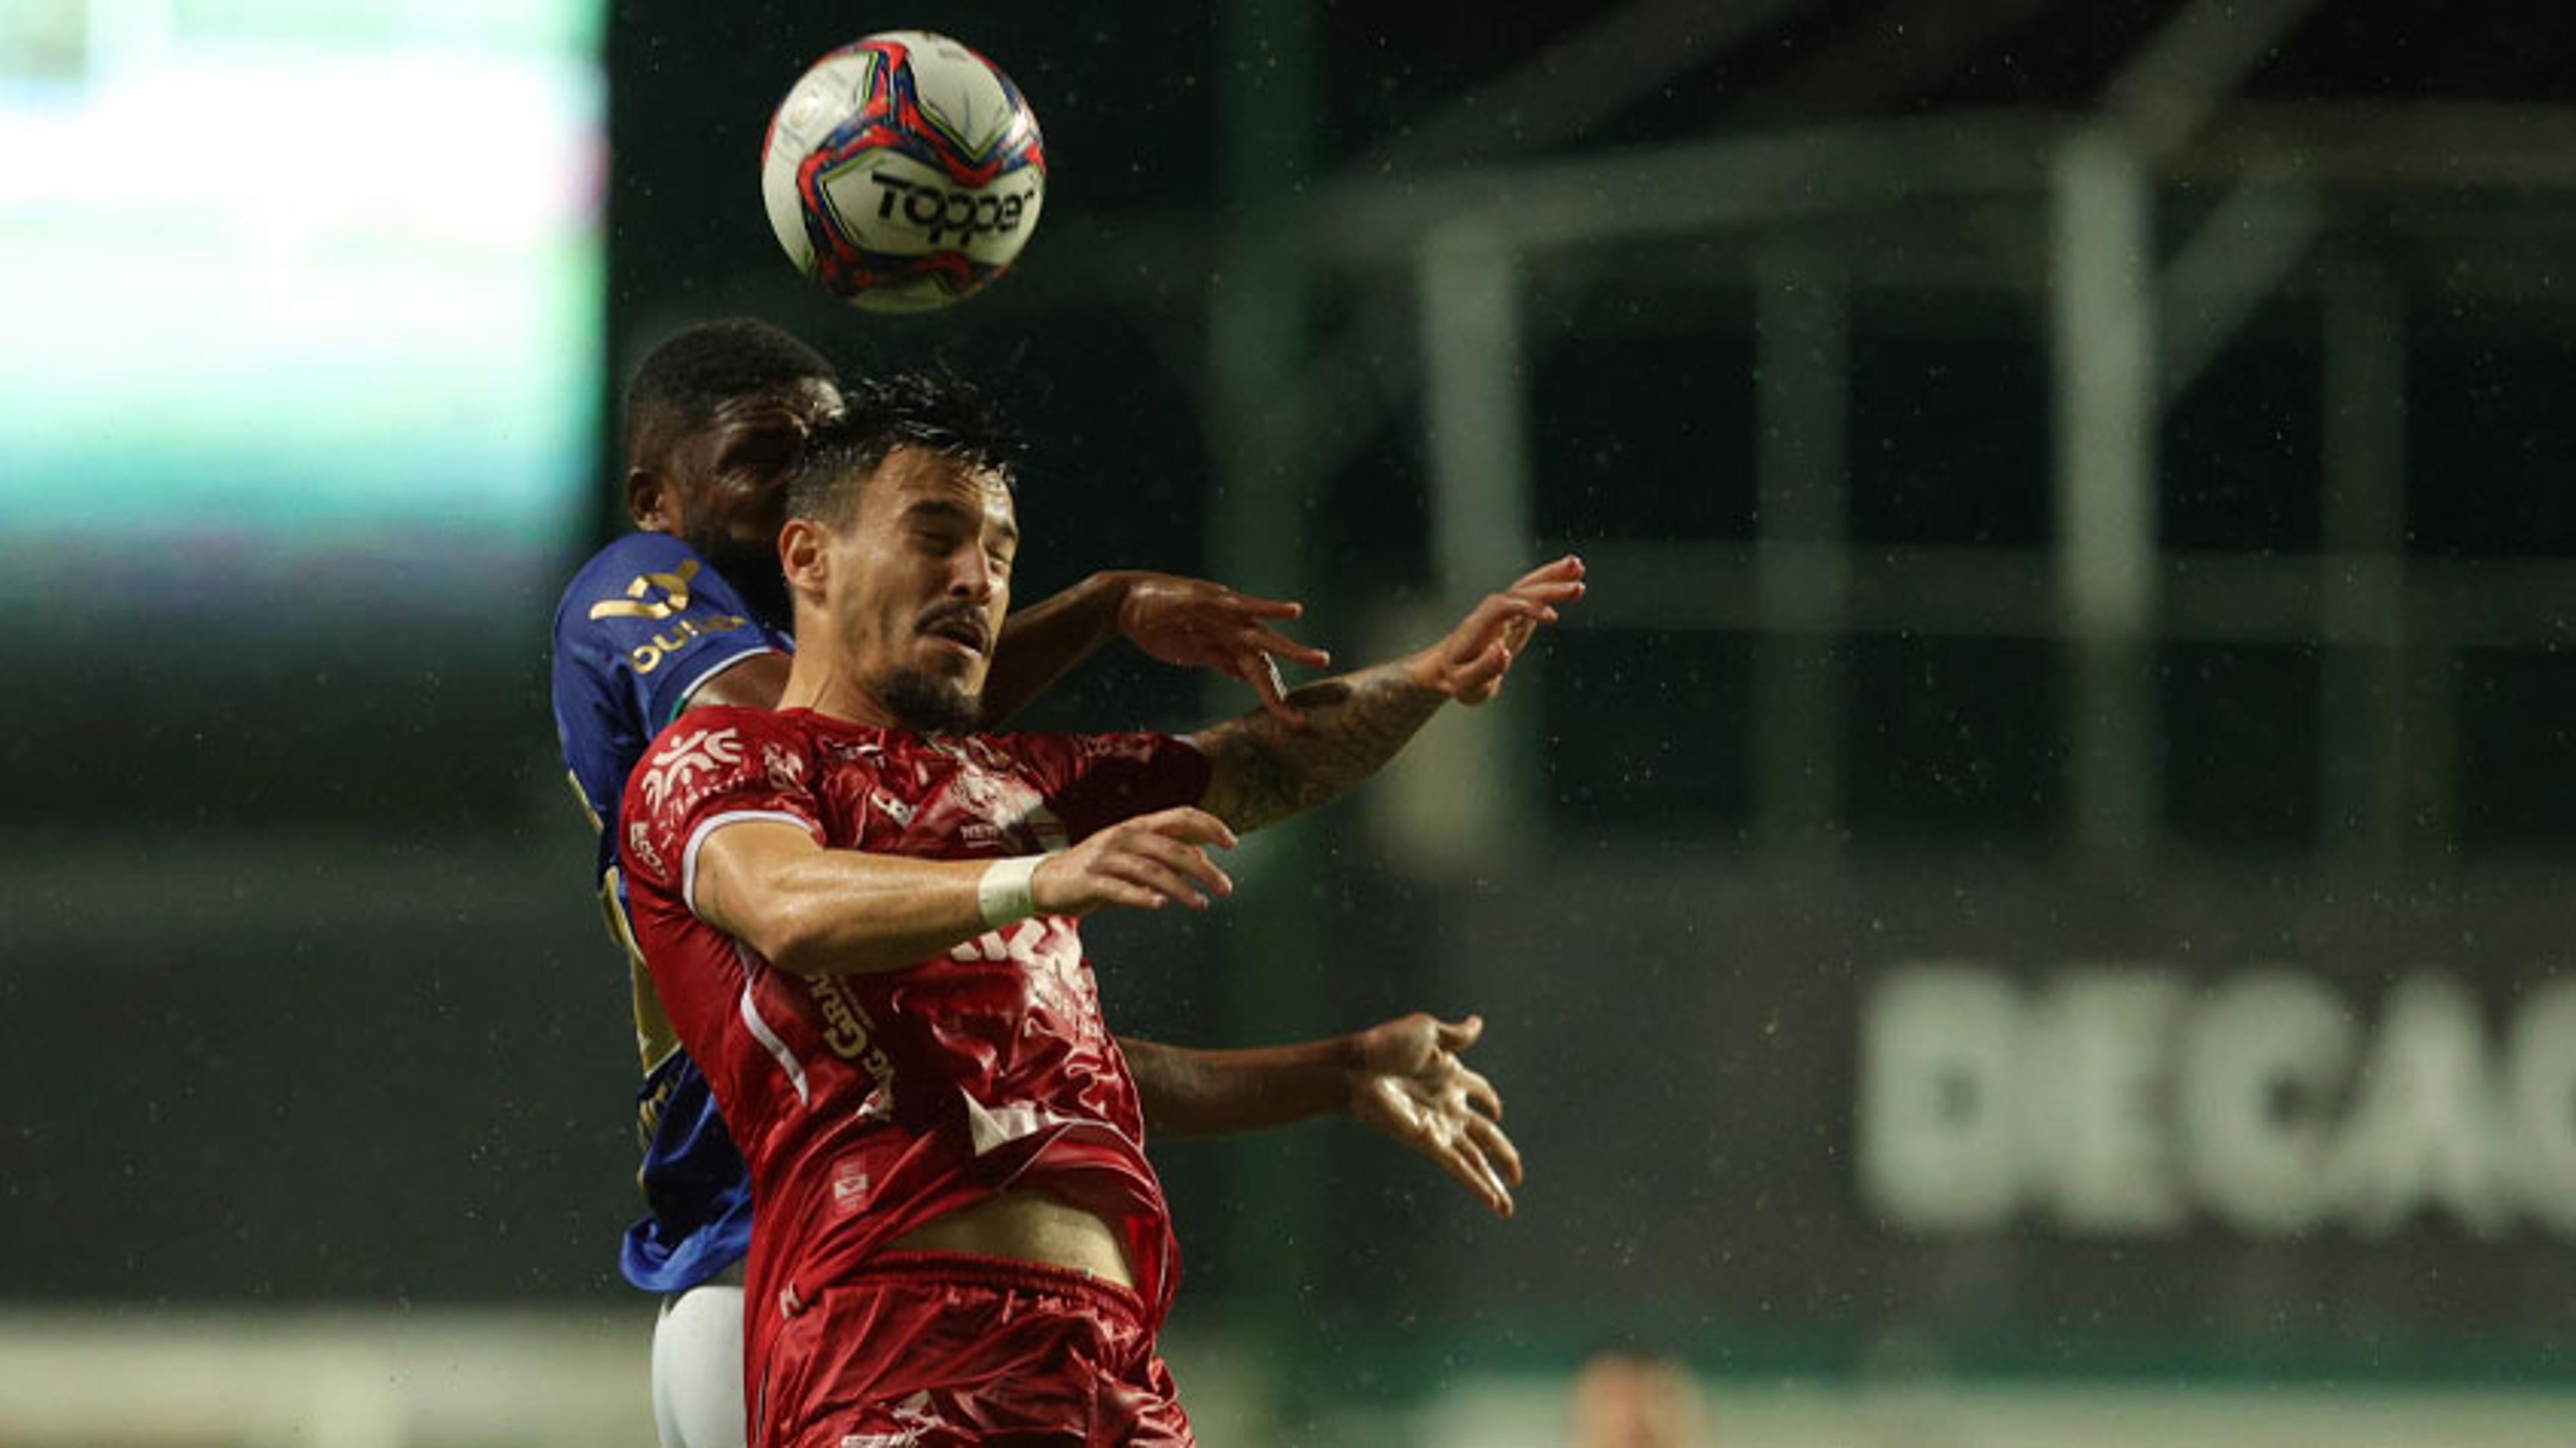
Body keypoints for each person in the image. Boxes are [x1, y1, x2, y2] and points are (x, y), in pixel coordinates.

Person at [552, 319, 1526, 1447]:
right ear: (806, 552)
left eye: (1001, 554)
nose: (976, 578)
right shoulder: (703, 704)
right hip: (814, 1290)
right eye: (933, 533)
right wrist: (1040, 854)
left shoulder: (994, 789)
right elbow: (791, 883)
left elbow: (1253, 777)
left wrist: (1427, 681)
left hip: (1105, 1364)